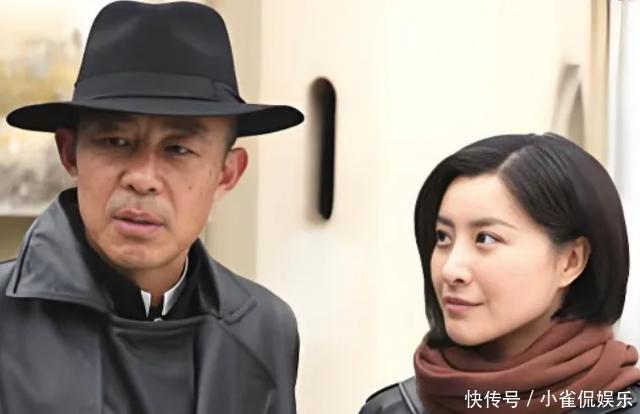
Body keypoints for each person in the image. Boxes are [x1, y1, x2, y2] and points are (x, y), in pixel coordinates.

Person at [0, 2, 303, 413]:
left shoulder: (264, 329)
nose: (142, 178)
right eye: (115, 142)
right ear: (70, 154)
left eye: (178, 149)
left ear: (227, 174)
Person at [360, 133, 640, 413]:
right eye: (443, 237)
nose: (450, 270)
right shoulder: (392, 409)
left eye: (485, 239)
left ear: (570, 261)